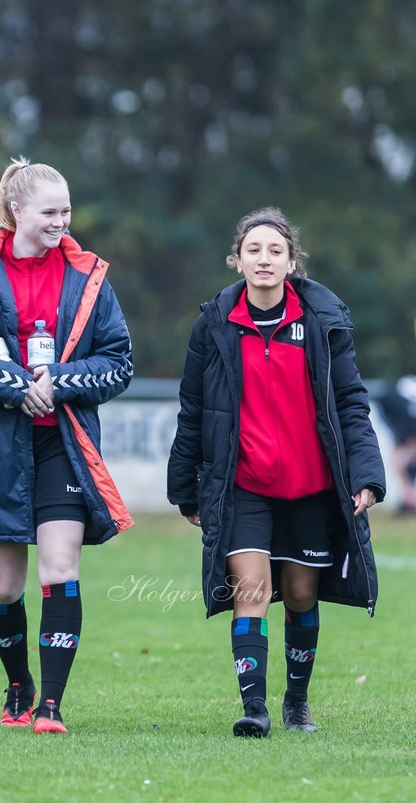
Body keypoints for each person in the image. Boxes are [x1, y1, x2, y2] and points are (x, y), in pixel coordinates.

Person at [0, 158, 134, 735]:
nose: (61, 222)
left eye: (66, 211)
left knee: (60, 567)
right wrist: (18, 388)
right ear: (16, 212)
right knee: (5, 586)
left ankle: (52, 707)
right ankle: (20, 684)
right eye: (49, 212)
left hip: (61, 446)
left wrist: (58, 382)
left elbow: (119, 361)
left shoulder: (89, 275)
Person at [167, 207, 384, 738]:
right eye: (254, 250)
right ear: (236, 259)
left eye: (275, 251)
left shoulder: (321, 324)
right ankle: (254, 709)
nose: (264, 259)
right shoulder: (213, 326)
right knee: (252, 590)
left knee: (303, 594)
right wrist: (184, 488)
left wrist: (366, 474)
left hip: (311, 487)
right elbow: (193, 409)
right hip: (243, 486)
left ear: (292, 262)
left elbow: (351, 402)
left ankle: (297, 703)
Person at [372, 375, 416, 515]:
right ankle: (410, 493)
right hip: (398, 417)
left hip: (413, 418)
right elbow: (399, 454)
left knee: (413, 453)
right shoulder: (396, 410)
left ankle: (413, 494)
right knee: (406, 454)